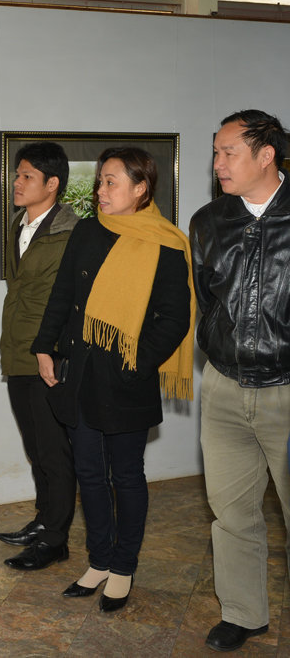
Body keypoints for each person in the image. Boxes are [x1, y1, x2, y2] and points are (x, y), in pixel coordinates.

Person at [32, 147, 194, 612]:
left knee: (126, 475)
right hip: (80, 373)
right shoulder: (87, 230)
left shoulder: (166, 242)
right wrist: (44, 346)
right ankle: (99, 559)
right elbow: (63, 292)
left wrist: (134, 362)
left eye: (110, 182)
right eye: (100, 181)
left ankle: (123, 566)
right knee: (88, 472)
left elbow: (175, 318)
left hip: (125, 380)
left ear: (140, 189)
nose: (100, 191)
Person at [189, 109, 290, 652]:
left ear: (266, 154)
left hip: (287, 390)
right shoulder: (208, 221)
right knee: (231, 513)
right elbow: (207, 301)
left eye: (229, 152)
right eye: (215, 152)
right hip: (224, 388)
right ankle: (243, 613)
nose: (218, 163)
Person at [0, 141, 80, 571]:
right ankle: (44, 519)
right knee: (35, 448)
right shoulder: (18, 225)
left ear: (52, 184)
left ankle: (55, 540)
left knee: (53, 451)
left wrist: (54, 350)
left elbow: (71, 301)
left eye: (27, 176)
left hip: (48, 355)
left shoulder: (71, 233)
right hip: (16, 350)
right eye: (17, 174)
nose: (17, 182)